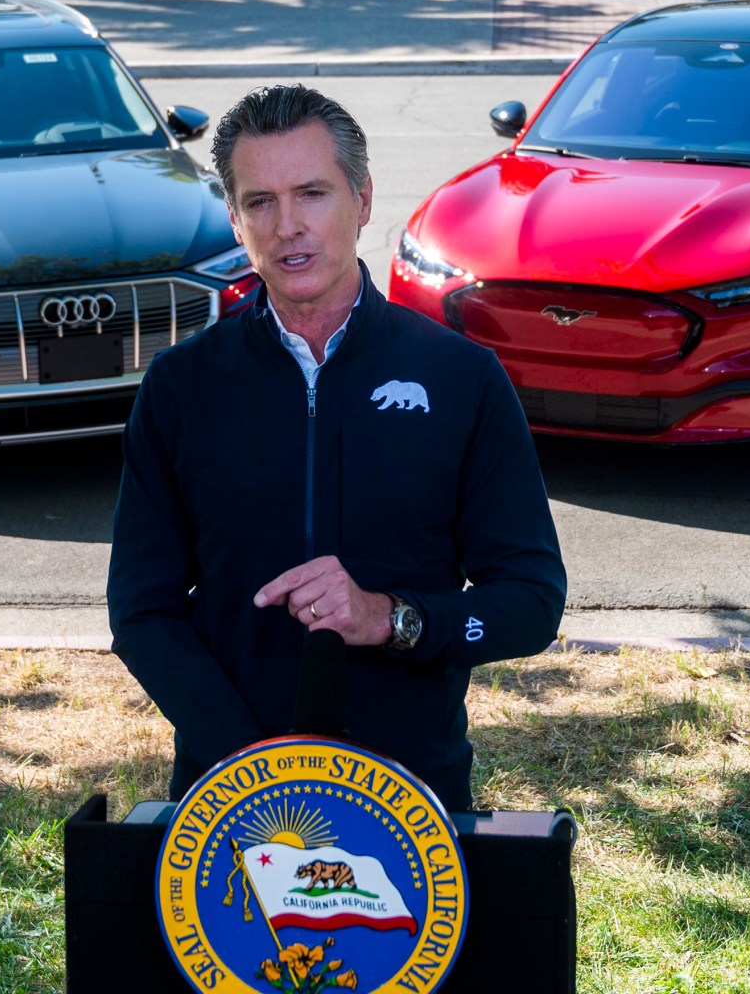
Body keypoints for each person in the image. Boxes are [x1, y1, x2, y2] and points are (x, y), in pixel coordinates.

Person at [107, 84, 567, 810]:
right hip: (228, 793)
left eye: (312, 193)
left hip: (411, 789)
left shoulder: (460, 379)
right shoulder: (181, 387)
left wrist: (390, 618)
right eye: (260, 202)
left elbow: (533, 602)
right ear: (233, 218)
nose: (288, 226)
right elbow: (140, 611)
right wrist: (247, 762)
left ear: (363, 198)